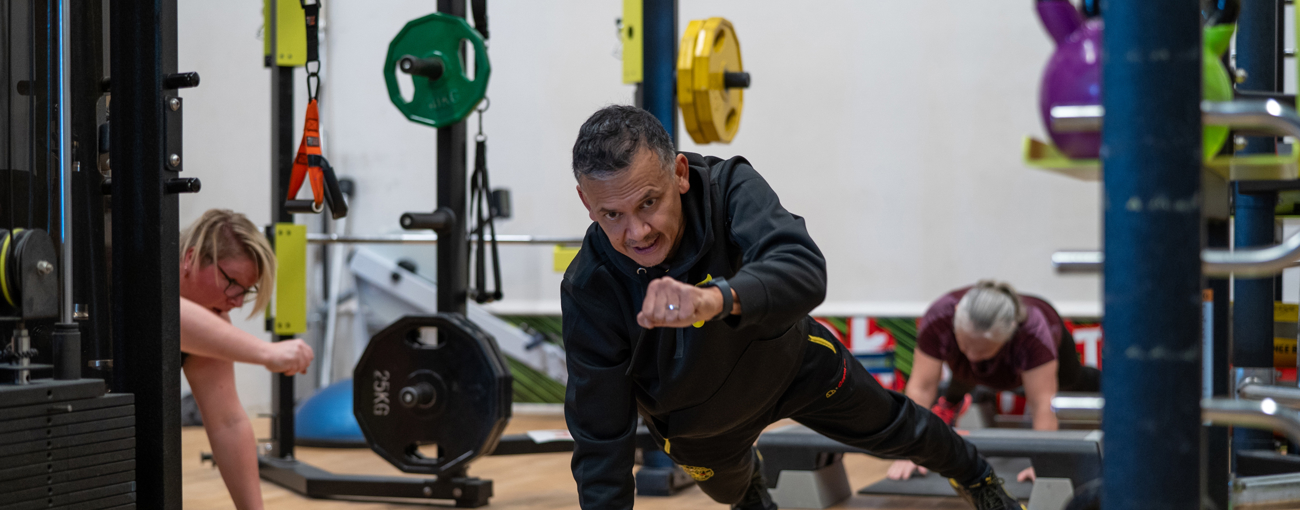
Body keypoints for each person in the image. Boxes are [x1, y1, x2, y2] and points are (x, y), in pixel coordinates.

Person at [561, 105, 1022, 510]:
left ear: (680, 173)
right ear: (586, 202)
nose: (638, 232)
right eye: (612, 215)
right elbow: (601, 432)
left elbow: (802, 269)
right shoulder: (589, 286)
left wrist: (713, 299)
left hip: (792, 365)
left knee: (898, 427)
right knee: (728, 490)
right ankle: (751, 490)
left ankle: (978, 479)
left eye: (649, 203)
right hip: (700, 420)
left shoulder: (728, 188)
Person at [887, 280, 1101, 483]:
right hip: (979, 356)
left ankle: (1105, 386)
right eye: (966, 345)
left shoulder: (1032, 331)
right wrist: (910, 451)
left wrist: (1044, 461)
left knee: (1071, 381)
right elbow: (921, 387)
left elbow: (1042, 402)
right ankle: (952, 402)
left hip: (1046, 355)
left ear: (1010, 334)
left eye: (981, 350)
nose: (971, 355)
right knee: (966, 366)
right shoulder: (939, 317)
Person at [178, 209, 314, 510]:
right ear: (190, 258)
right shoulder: (140, 267)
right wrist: (268, 353)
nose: (237, 301)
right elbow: (166, 315)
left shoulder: (213, 320)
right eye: (232, 282)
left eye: (245, 291)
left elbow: (228, 423)